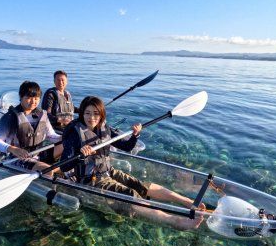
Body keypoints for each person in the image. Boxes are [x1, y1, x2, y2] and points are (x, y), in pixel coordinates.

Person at [61, 96, 204, 231]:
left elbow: (127, 146)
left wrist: (135, 135)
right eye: (87, 113)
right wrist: (79, 156)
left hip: (107, 172)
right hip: (89, 180)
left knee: (140, 184)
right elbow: (64, 166)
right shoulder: (75, 134)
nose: (91, 118)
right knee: (129, 194)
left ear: (102, 114)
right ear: (82, 114)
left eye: (95, 114)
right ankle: (176, 221)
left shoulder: (105, 128)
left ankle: (187, 201)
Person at [0, 81, 62, 172]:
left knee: (65, 144)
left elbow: (51, 135)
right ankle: (53, 172)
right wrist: (13, 149)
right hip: (17, 158)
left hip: (38, 154)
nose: (33, 102)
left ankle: (60, 169)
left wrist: (62, 138)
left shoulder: (42, 115)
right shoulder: (10, 117)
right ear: (20, 97)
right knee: (47, 170)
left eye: (36, 98)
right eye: (28, 98)